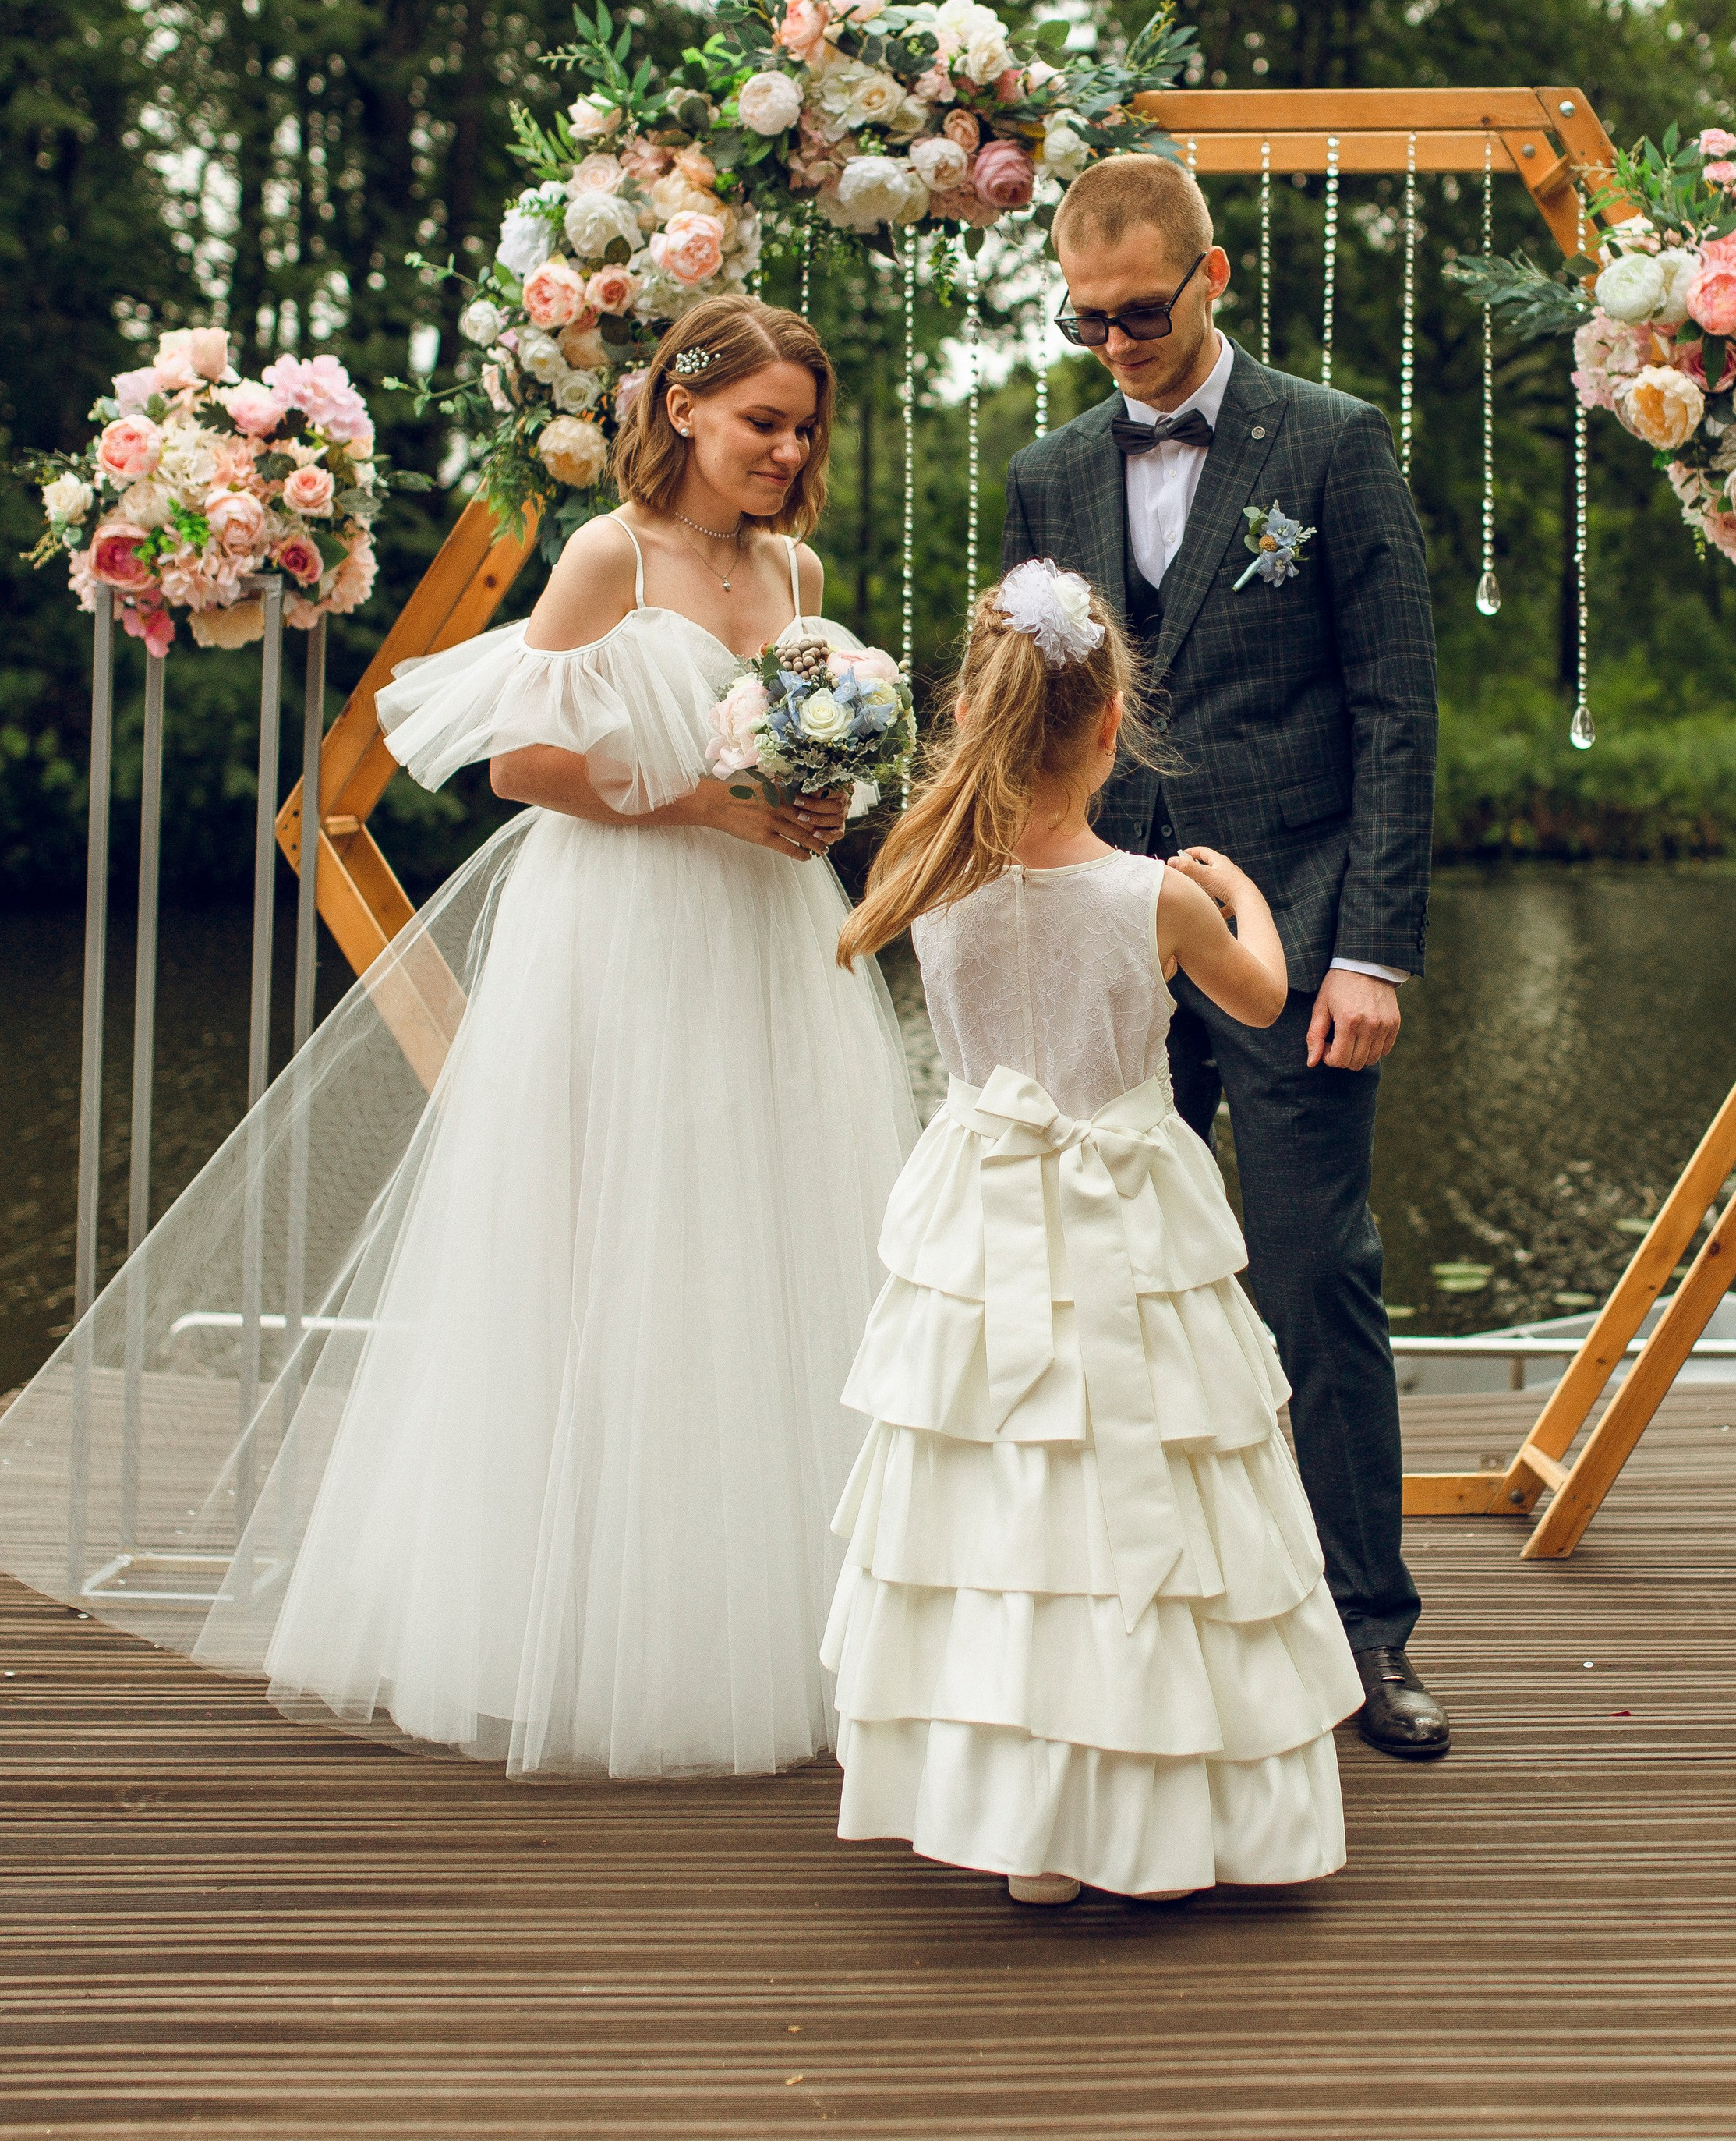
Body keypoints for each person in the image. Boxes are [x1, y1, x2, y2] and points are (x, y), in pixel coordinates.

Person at [0, 295, 917, 1779]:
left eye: (804, 427)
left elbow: (797, 751)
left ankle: (769, 1614)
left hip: (764, 938)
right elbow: (521, 760)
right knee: (605, 1241)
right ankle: (566, 1623)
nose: (789, 449)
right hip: (629, 926)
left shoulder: (798, 565)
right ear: (685, 409)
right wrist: (712, 801)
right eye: (766, 421)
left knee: (760, 1241)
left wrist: (820, 805)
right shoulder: (610, 557)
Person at [825, 562, 1363, 1904]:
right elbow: (1264, 995)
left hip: (978, 1196)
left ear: (974, 711)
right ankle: (1159, 1807)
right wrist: (1240, 889)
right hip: (1126, 1204)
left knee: (1007, 1486)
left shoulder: (918, 873)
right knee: (1158, 1474)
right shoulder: (1154, 896)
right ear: (1113, 723)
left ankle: (1026, 1820)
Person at [1000, 156, 1447, 1761]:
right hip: (1108, 926)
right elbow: (1029, 716)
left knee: (1312, 1269)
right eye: (1086, 316)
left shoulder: (1328, 442)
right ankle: (1154, 1621)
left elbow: (1397, 711)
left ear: (1215, 276)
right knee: (1115, 1277)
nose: (1115, 341)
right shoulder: (1045, 469)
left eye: (1139, 309)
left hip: (1302, 917)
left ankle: (1364, 1629)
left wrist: (1373, 951)